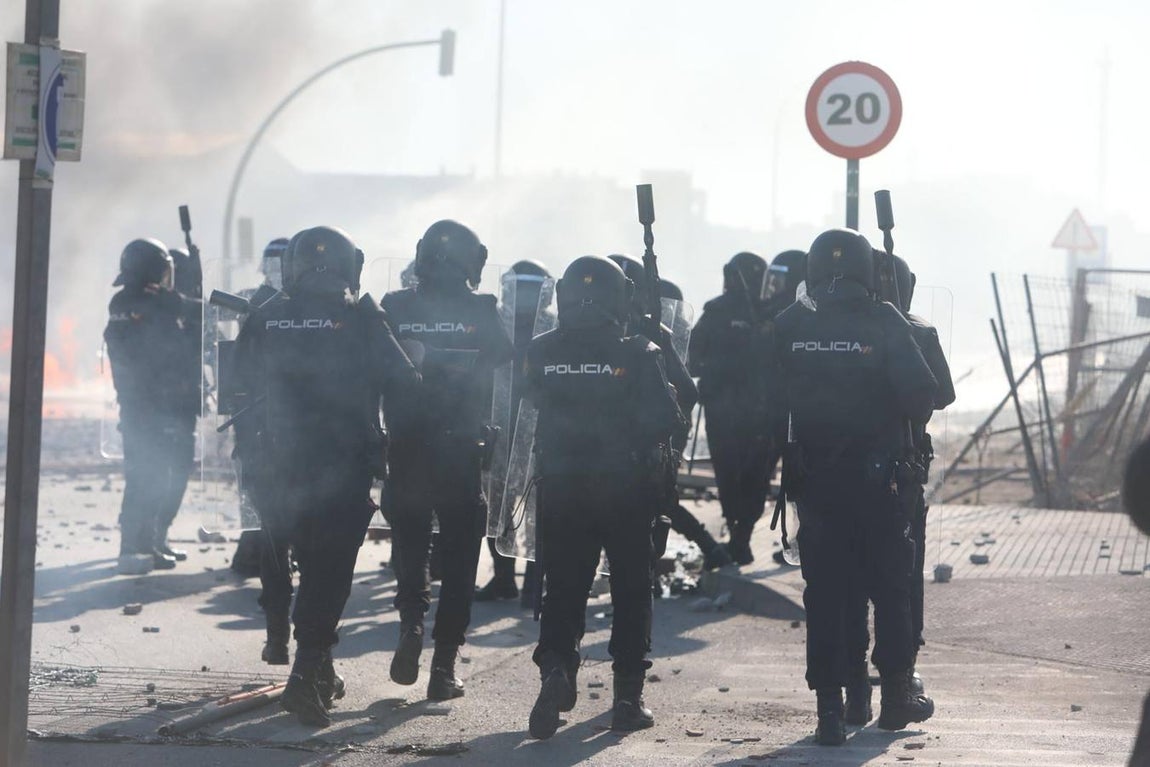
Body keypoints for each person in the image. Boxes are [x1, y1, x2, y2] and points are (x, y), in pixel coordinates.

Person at [233, 225, 418, 726]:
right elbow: (404, 378)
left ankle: (317, 671)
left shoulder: (266, 315)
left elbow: (234, 385)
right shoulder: (361, 317)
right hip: (340, 465)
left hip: (275, 464)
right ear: (348, 266)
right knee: (328, 573)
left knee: (295, 562)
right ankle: (303, 674)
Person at [771, 229, 938, 745]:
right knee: (890, 589)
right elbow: (926, 396)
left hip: (817, 487)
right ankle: (894, 698)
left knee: (827, 595)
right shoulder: (885, 320)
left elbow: (763, 400)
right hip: (880, 484)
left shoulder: (791, 322)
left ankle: (829, 709)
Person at [523, 256, 687, 739]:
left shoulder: (542, 349)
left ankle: (556, 668)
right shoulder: (639, 351)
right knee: (632, 591)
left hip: (562, 487)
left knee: (565, 587)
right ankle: (626, 699)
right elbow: (671, 419)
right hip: (626, 490)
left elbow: (532, 399)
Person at [381, 220, 514, 701]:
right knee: (459, 562)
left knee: (410, 552)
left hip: (406, 449)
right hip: (460, 452)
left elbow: (370, 364)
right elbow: (505, 357)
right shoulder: (481, 310)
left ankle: (411, 628)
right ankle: (443, 665)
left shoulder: (394, 308)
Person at [841, 254, 956, 725]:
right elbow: (941, 395)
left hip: (840, 479)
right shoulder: (917, 332)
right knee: (899, 588)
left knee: (847, 588)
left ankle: (852, 695)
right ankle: (897, 687)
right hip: (898, 480)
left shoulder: (835, 332)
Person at [607, 257, 732, 571]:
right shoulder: (587, 335)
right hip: (605, 442)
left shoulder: (650, 332)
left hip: (649, 438)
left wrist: (664, 437)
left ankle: (708, 549)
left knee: (658, 499)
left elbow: (686, 391)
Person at [105, 238, 202, 575]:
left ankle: (149, 540)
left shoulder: (124, 302)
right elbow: (195, 312)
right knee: (151, 475)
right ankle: (135, 547)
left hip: (145, 408)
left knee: (157, 474)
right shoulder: (150, 303)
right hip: (158, 408)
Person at [687, 252, 774, 565]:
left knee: (735, 475)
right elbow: (692, 358)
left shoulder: (752, 313)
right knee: (749, 476)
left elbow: (693, 357)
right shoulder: (760, 314)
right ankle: (741, 536)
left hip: (738, 410)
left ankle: (740, 536)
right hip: (745, 410)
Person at [476, 259, 554, 606]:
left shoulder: (553, 327)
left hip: (537, 424)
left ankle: (533, 583)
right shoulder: (497, 324)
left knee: (534, 505)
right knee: (497, 505)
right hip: (500, 423)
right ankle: (509, 579)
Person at [231, 237, 290, 581]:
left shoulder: (304, 303)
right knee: (254, 479)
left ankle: (275, 552)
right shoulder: (252, 299)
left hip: (289, 409)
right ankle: (254, 548)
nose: (276, 271)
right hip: (253, 407)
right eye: (271, 265)